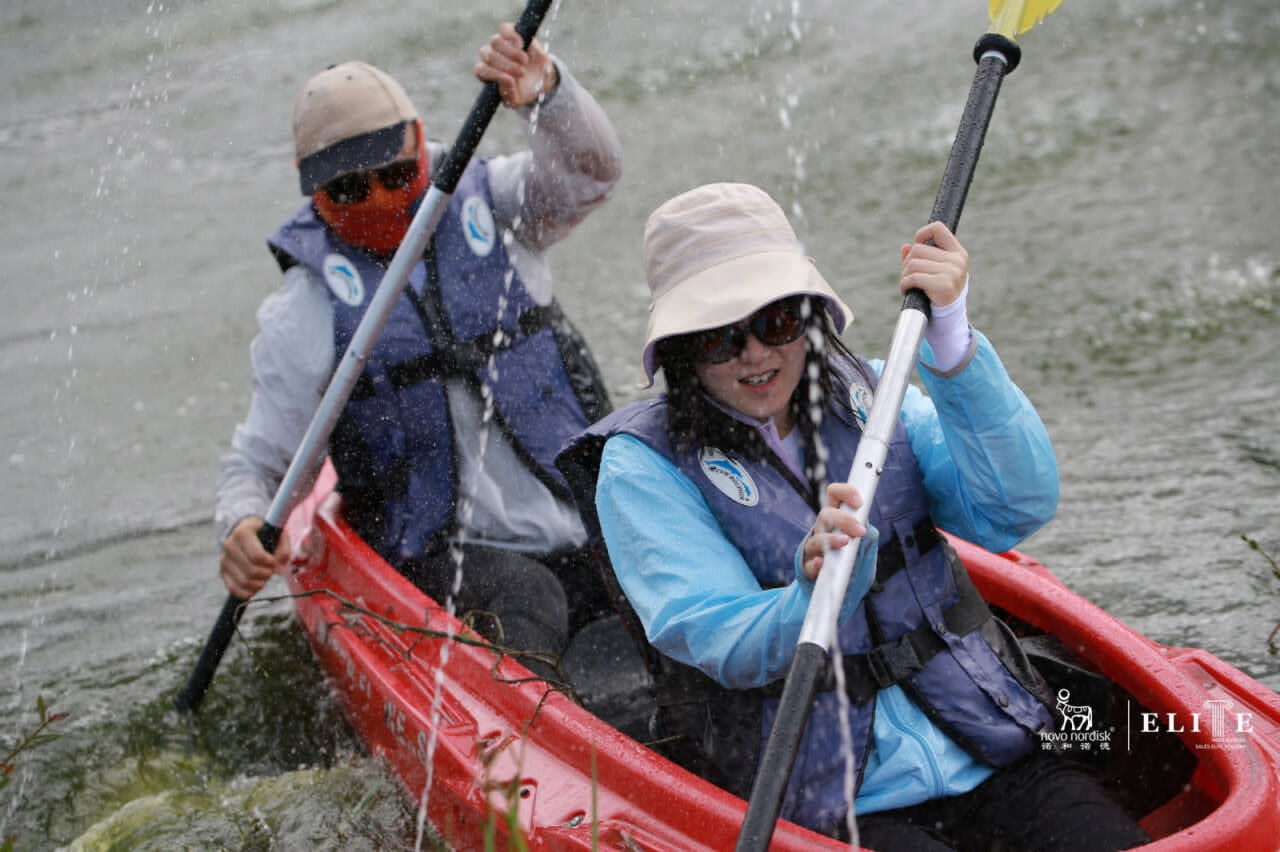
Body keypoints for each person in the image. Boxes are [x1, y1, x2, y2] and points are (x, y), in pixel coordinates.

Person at [556, 183, 1150, 850]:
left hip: (991, 747)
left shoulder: (877, 392)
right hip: (835, 802)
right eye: (719, 338)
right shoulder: (642, 468)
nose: (755, 354)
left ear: (808, 314)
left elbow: (1012, 508)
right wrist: (811, 593)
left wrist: (953, 345)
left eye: (776, 322)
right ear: (680, 351)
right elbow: (716, 635)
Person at [215, 24, 623, 674]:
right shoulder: (306, 311)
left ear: (422, 144)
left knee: (646, 572)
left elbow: (593, 176)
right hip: (446, 554)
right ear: (308, 185)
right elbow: (261, 468)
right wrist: (239, 528)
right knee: (527, 598)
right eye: (349, 189)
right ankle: (518, 744)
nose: (378, 200)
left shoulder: (499, 206)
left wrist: (546, 94)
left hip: (577, 521)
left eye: (398, 173)